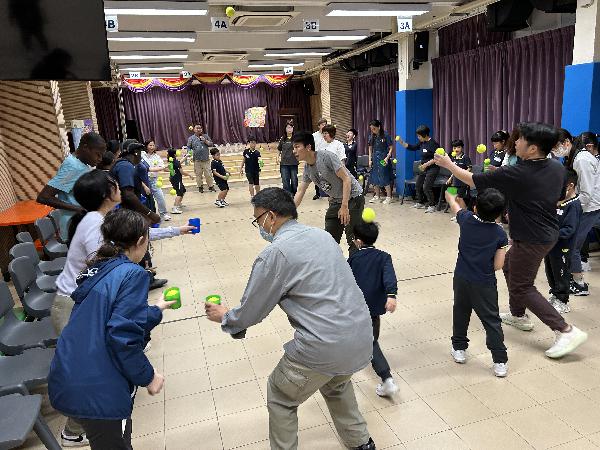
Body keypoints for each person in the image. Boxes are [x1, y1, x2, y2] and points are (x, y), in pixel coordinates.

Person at [204, 187, 376, 450]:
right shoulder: (322, 235)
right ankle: (362, 443)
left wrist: (226, 317)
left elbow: (252, 310)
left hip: (324, 345)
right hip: (361, 336)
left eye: (258, 220)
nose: (260, 227)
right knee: (336, 384)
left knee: (281, 395)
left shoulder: (275, 254)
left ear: (271, 216)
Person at [51, 170, 192, 446]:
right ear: (140, 242)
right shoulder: (132, 274)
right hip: (97, 387)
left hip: (71, 372)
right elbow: (121, 335)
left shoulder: (102, 265)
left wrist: (157, 308)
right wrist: (148, 376)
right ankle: (73, 432)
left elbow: (116, 318)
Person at [434, 122, 588, 359]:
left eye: (520, 139)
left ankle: (565, 330)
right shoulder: (556, 167)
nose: (515, 142)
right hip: (545, 232)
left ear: (533, 148)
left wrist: (448, 164)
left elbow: (473, 180)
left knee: (522, 286)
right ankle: (518, 315)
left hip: (532, 237)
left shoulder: (519, 172)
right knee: (508, 266)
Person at [446, 188, 509, 377]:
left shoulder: (466, 220)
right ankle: (499, 361)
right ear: (499, 214)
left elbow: (454, 205)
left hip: (461, 278)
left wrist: (451, 194)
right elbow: (498, 265)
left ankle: (459, 349)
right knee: (491, 320)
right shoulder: (500, 234)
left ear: (475, 208)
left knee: (461, 311)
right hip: (484, 282)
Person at [348, 220, 399, 396]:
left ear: (358, 241)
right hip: (375, 306)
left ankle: (387, 378)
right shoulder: (384, 257)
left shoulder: (354, 258)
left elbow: (347, 281)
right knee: (372, 332)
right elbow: (390, 276)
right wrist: (391, 295)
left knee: (370, 342)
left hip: (358, 307)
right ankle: (367, 348)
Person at [292, 131, 365, 256]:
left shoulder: (326, 157)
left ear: (308, 147)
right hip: (336, 200)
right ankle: (333, 263)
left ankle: (357, 263)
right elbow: (300, 191)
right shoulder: (307, 168)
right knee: (329, 239)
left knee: (353, 238)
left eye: (297, 147)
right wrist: (289, 213)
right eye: (293, 148)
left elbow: (346, 179)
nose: (294, 151)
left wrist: (344, 206)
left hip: (353, 197)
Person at [110, 143, 167, 291]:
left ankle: (146, 277)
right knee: (138, 245)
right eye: (140, 153)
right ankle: (144, 280)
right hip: (128, 213)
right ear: (136, 152)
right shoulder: (126, 166)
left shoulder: (122, 164)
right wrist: (149, 213)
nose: (141, 157)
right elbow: (128, 195)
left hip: (127, 212)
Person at [37, 132, 105, 239]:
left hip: (81, 223)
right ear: (85, 147)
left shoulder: (80, 163)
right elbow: (44, 197)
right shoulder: (73, 167)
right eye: (97, 154)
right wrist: (78, 209)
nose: (100, 159)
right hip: (74, 225)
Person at [544, 169, 582, 314]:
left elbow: (569, 229)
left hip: (563, 248)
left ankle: (562, 300)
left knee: (561, 273)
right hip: (551, 246)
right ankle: (555, 295)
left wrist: (552, 234)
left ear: (570, 186)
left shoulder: (573, 205)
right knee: (551, 271)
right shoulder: (560, 201)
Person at [570, 132, 600, 296]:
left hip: (589, 207)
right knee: (575, 244)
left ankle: (579, 284)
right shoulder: (585, 158)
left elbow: (586, 192)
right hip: (591, 206)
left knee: (574, 245)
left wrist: (572, 209)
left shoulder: (582, 159)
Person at [398, 125, 440, 213]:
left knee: (426, 187)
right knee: (418, 185)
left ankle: (432, 205)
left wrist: (426, 164)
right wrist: (401, 142)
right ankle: (420, 202)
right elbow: (412, 147)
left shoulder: (433, 144)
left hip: (432, 168)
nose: (418, 138)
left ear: (425, 135)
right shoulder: (422, 143)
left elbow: (437, 158)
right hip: (423, 168)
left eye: (419, 136)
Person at [142, 140, 171, 221]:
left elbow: (162, 167)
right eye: (150, 145)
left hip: (154, 180)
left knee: (160, 196)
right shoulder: (142, 155)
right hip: (144, 181)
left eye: (153, 145)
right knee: (147, 200)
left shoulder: (157, 157)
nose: (152, 147)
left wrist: (171, 169)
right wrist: (162, 167)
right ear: (146, 146)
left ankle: (163, 214)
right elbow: (147, 169)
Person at [368, 120, 394, 205]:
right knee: (374, 176)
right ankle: (377, 196)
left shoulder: (386, 135)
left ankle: (389, 197)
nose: (373, 130)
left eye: (374, 129)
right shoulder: (372, 136)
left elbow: (391, 148)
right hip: (375, 158)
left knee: (384, 175)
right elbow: (370, 148)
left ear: (379, 127)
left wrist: (387, 158)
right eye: (371, 129)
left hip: (383, 159)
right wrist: (370, 159)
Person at [446, 139, 472, 220]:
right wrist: (450, 178)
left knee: (460, 198)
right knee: (454, 198)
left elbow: (469, 168)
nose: (456, 149)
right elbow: (454, 170)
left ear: (462, 148)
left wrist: (463, 174)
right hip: (455, 181)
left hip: (463, 181)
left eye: (458, 147)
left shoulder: (465, 157)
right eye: (454, 148)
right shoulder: (453, 157)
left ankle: (465, 215)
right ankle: (458, 215)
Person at [188, 124, 216, 193]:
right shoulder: (191, 138)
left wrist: (205, 140)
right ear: (194, 129)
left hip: (206, 159)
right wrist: (189, 154)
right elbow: (188, 147)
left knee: (208, 174)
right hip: (197, 160)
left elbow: (211, 144)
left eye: (200, 128)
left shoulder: (205, 136)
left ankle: (211, 186)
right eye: (197, 128)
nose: (199, 129)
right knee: (198, 175)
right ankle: (200, 187)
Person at [278, 121, 299, 195]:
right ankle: (288, 195)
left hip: (293, 162)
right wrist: (277, 158)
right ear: (285, 129)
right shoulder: (283, 139)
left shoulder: (296, 139)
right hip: (284, 163)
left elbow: (300, 149)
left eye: (291, 127)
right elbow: (279, 149)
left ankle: (294, 194)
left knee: (294, 181)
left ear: (293, 129)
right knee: (285, 181)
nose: (289, 129)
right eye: (288, 127)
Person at [312, 118, 328, 200]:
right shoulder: (314, 135)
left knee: (326, 175)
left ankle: (327, 192)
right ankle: (317, 193)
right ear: (319, 126)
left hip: (326, 157)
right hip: (316, 157)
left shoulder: (327, 135)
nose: (324, 126)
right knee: (317, 175)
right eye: (322, 124)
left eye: (325, 124)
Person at [167, 148, 186, 215]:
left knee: (183, 190)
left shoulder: (172, 160)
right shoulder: (175, 162)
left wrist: (186, 157)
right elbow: (182, 172)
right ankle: (175, 208)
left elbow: (179, 163)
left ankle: (179, 204)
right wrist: (190, 175)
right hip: (176, 179)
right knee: (179, 193)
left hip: (174, 178)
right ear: (175, 154)